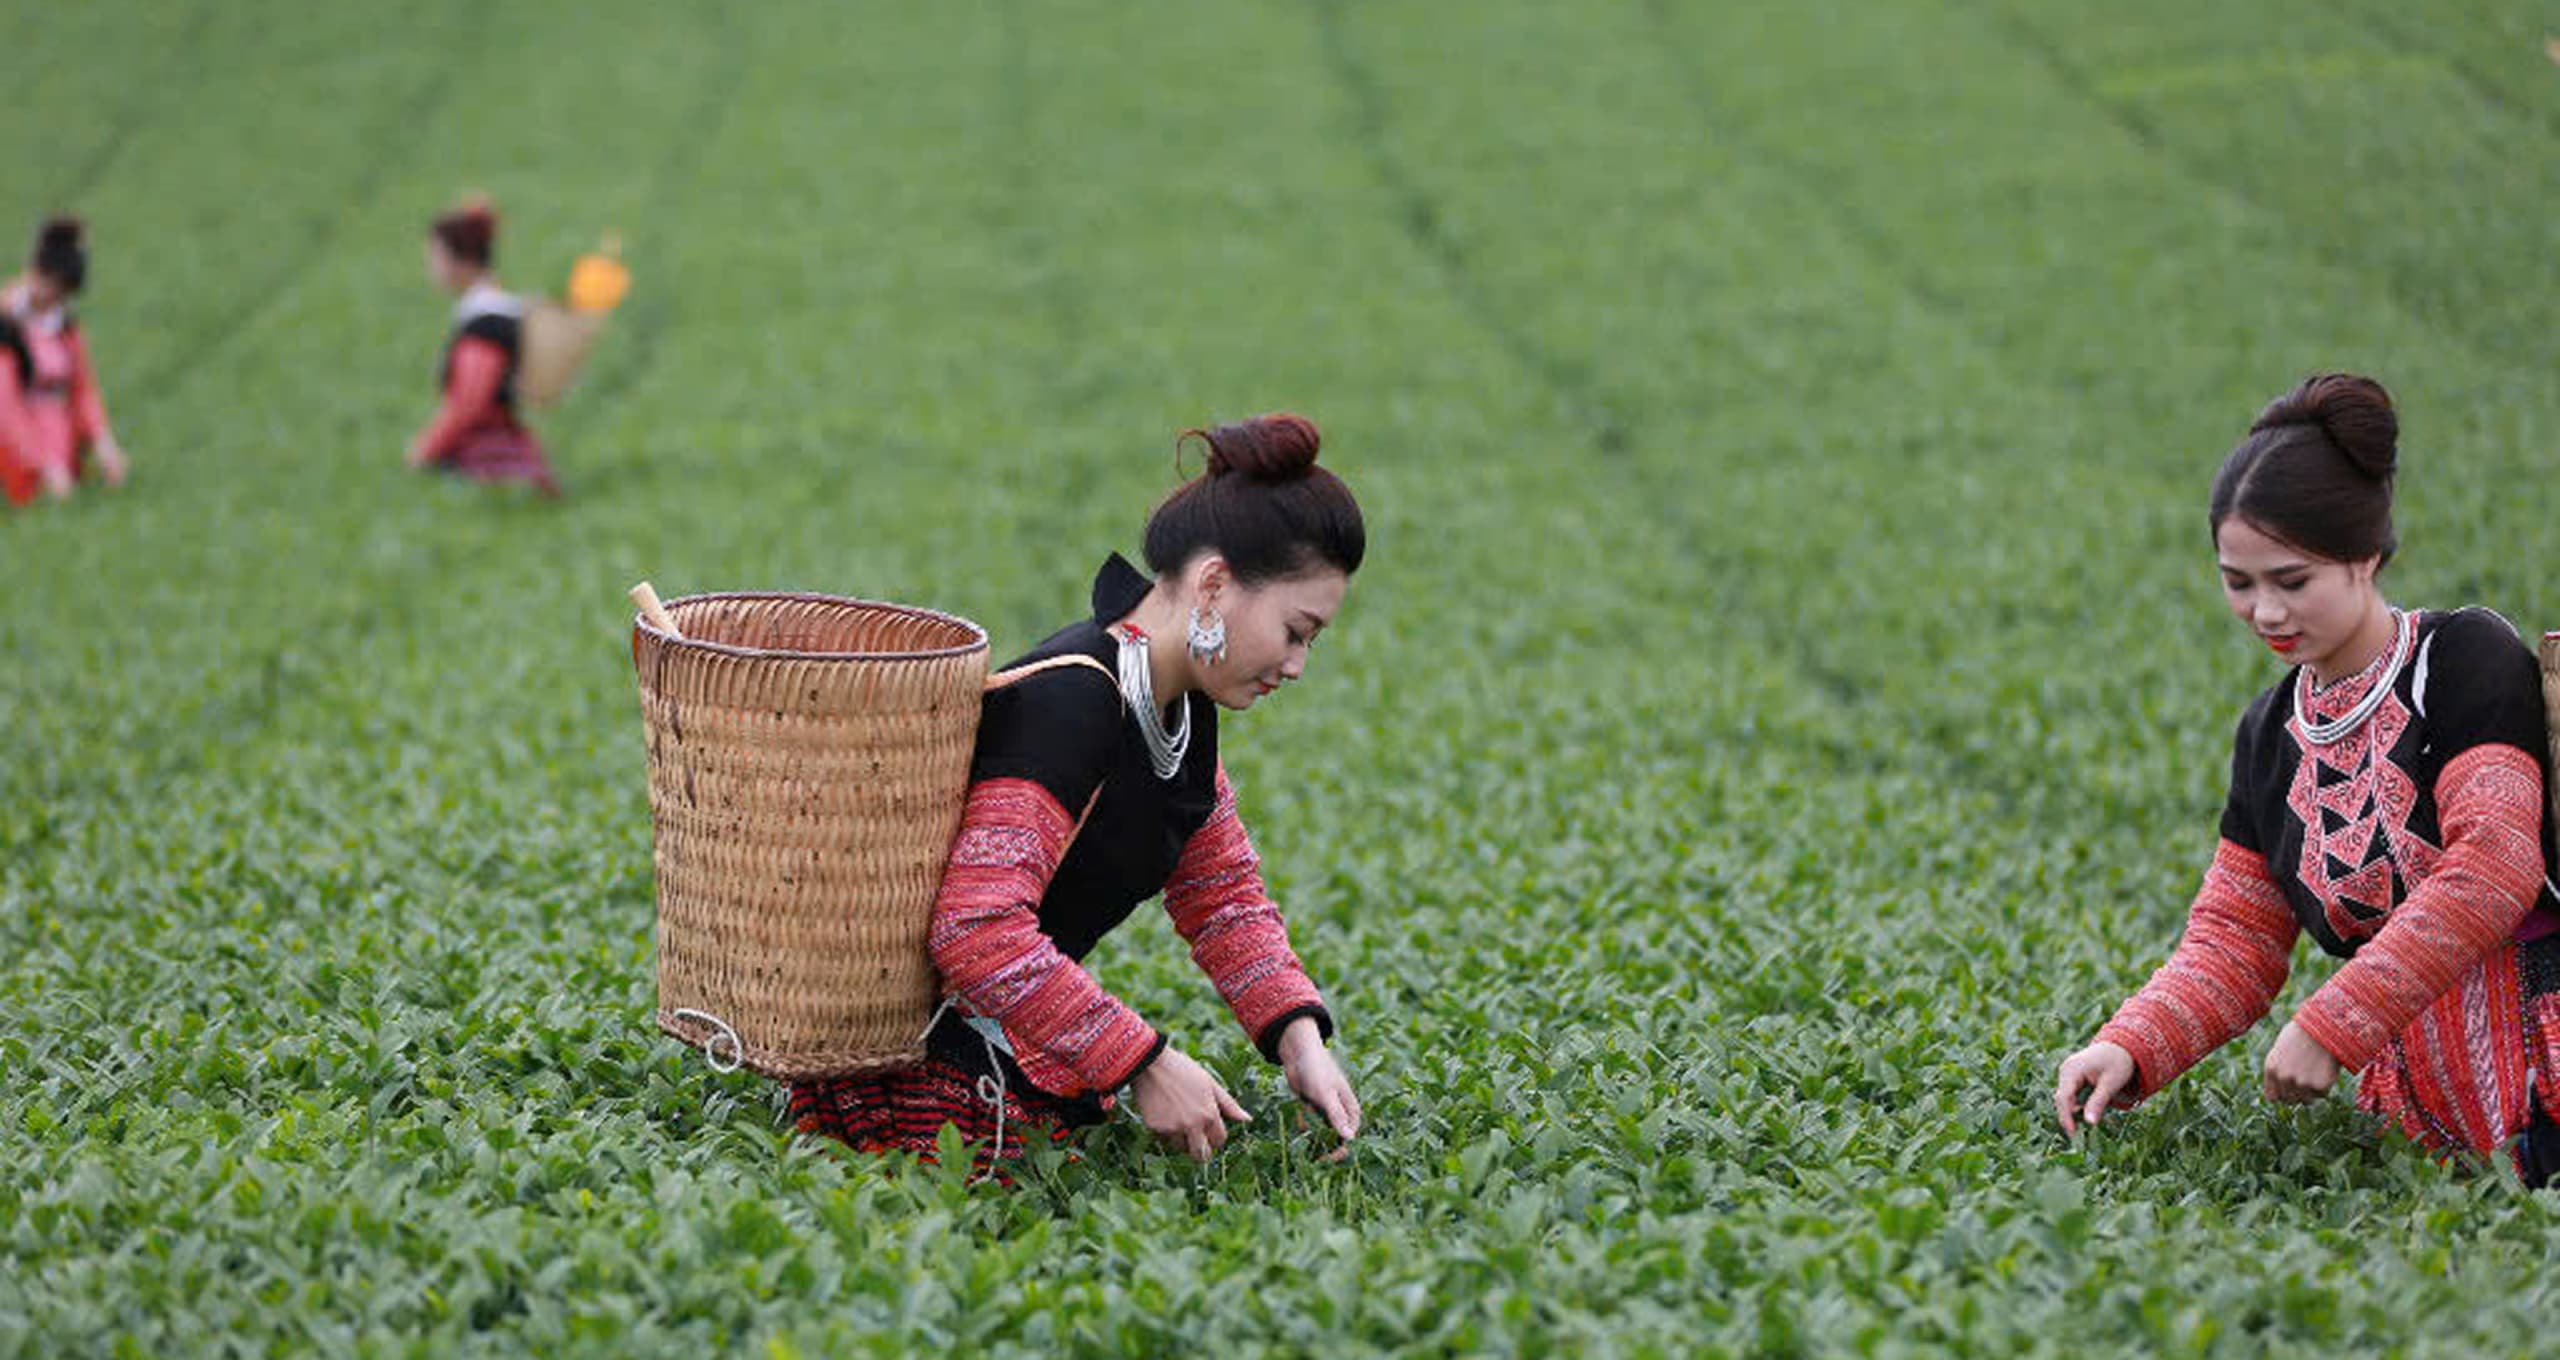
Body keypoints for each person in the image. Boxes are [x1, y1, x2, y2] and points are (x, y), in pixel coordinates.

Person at [790, 413, 1368, 1170]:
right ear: (1215, 583)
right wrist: (1147, 1063)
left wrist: (1300, 1040)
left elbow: (1221, 892)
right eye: (1297, 632)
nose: (1295, 665)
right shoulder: (1073, 705)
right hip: (897, 1055)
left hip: (991, 1033)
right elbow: (975, 929)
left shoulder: (1176, 709)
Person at [2054, 373, 2560, 1182]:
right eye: (2238, 582)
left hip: (2545, 1082)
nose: (2266, 613)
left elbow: (2494, 868)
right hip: (2418, 1133)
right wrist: (2130, 1043)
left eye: (2293, 581)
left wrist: (2334, 1025)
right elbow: (2238, 937)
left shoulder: (2463, 660)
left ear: (2365, 556)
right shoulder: (2269, 733)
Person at [405, 196, 561, 496]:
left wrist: (425, 450)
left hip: (486, 457)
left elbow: (470, 403)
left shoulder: (486, 322)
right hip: (505, 449)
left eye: (435, 257)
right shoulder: (502, 311)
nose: (430, 268)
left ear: (461, 261)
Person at [1, 217, 128, 506]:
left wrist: (104, 445)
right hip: (15, 450)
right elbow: (5, 406)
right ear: (36, 274)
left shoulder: (64, 328)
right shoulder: (5, 325)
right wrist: (43, 466)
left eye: (62, 294)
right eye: (52, 287)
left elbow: (82, 390)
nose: (54, 299)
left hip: (57, 442)